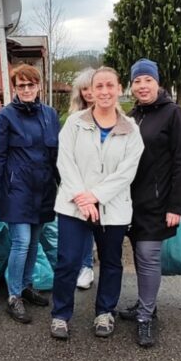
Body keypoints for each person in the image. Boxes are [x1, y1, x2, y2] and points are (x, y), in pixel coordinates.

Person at [50, 67, 143, 340]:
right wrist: (82, 196)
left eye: (109, 86)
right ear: (90, 90)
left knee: (111, 262)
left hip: (113, 209)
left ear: (119, 88)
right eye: (98, 86)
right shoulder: (75, 122)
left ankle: (105, 312)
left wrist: (96, 196)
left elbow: (127, 172)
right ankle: (60, 314)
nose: (104, 92)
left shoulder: (131, 129)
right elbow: (64, 162)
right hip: (73, 206)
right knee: (67, 261)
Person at [121, 59, 181, 348]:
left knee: (149, 255)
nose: (142, 86)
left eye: (147, 80)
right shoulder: (130, 116)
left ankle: (145, 318)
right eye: (137, 81)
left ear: (158, 83)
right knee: (139, 255)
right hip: (130, 203)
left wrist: (176, 205)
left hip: (158, 202)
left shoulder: (174, 115)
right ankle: (145, 304)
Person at [0, 64, 60, 324]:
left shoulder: (50, 114)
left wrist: (65, 184)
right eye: (21, 85)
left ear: (38, 86)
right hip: (16, 189)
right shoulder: (5, 117)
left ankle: (26, 286)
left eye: (31, 84)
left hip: (44, 189)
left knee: (34, 241)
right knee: (21, 242)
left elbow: (57, 155)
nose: (26, 89)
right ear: (15, 88)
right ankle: (14, 295)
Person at [68, 67, 97, 291]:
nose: (89, 92)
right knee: (84, 226)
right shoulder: (73, 118)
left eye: (92, 87)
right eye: (84, 88)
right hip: (82, 181)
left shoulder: (115, 116)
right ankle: (85, 266)